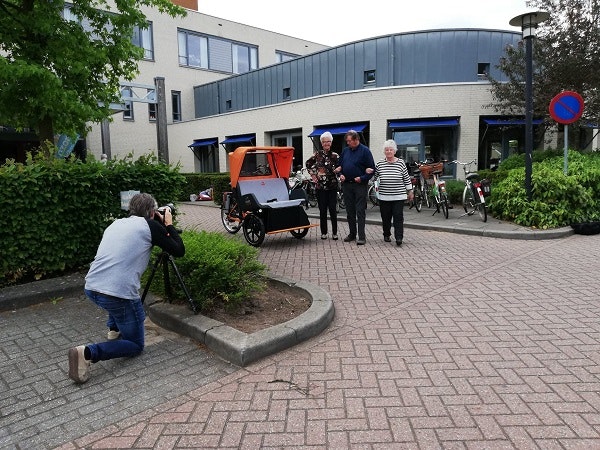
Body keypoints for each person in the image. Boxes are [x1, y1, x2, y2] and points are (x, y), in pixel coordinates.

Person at [68, 193, 185, 384]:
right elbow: (179, 250)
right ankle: (88, 353)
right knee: (136, 345)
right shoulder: (150, 226)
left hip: (92, 287)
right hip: (116, 294)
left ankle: (114, 330)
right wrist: (169, 224)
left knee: (115, 299)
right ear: (152, 212)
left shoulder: (116, 223)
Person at [334, 130, 375, 245]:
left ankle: (361, 236)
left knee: (360, 210)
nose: (347, 143)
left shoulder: (365, 151)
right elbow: (339, 166)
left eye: (349, 141)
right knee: (349, 211)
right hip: (347, 184)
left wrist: (362, 178)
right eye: (347, 141)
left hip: (360, 185)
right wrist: (340, 174)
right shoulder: (346, 151)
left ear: (356, 140)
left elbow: (372, 169)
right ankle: (352, 234)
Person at [370, 140, 413, 246]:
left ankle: (399, 237)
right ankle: (386, 234)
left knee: (398, 217)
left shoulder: (401, 163)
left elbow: (406, 178)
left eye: (391, 150)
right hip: (384, 196)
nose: (389, 151)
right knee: (386, 217)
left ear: (394, 151)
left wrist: (410, 191)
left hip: (399, 195)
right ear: (384, 152)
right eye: (386, 150)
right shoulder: (380, 164)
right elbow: (375, 179)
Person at [306, 131, 339, 240]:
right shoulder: (317, 155)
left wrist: (339, 170)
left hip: (332, 187)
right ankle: (324, 232)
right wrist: (313, 175)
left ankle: (335, 233)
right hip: (320, 188)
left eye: (328, 142)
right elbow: (308, 164)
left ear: (331, 142)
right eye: (324, 142)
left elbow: (341, 167)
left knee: (333, 211)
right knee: (323, 210)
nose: (326, 144)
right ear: (321, 143)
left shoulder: (335, 156)